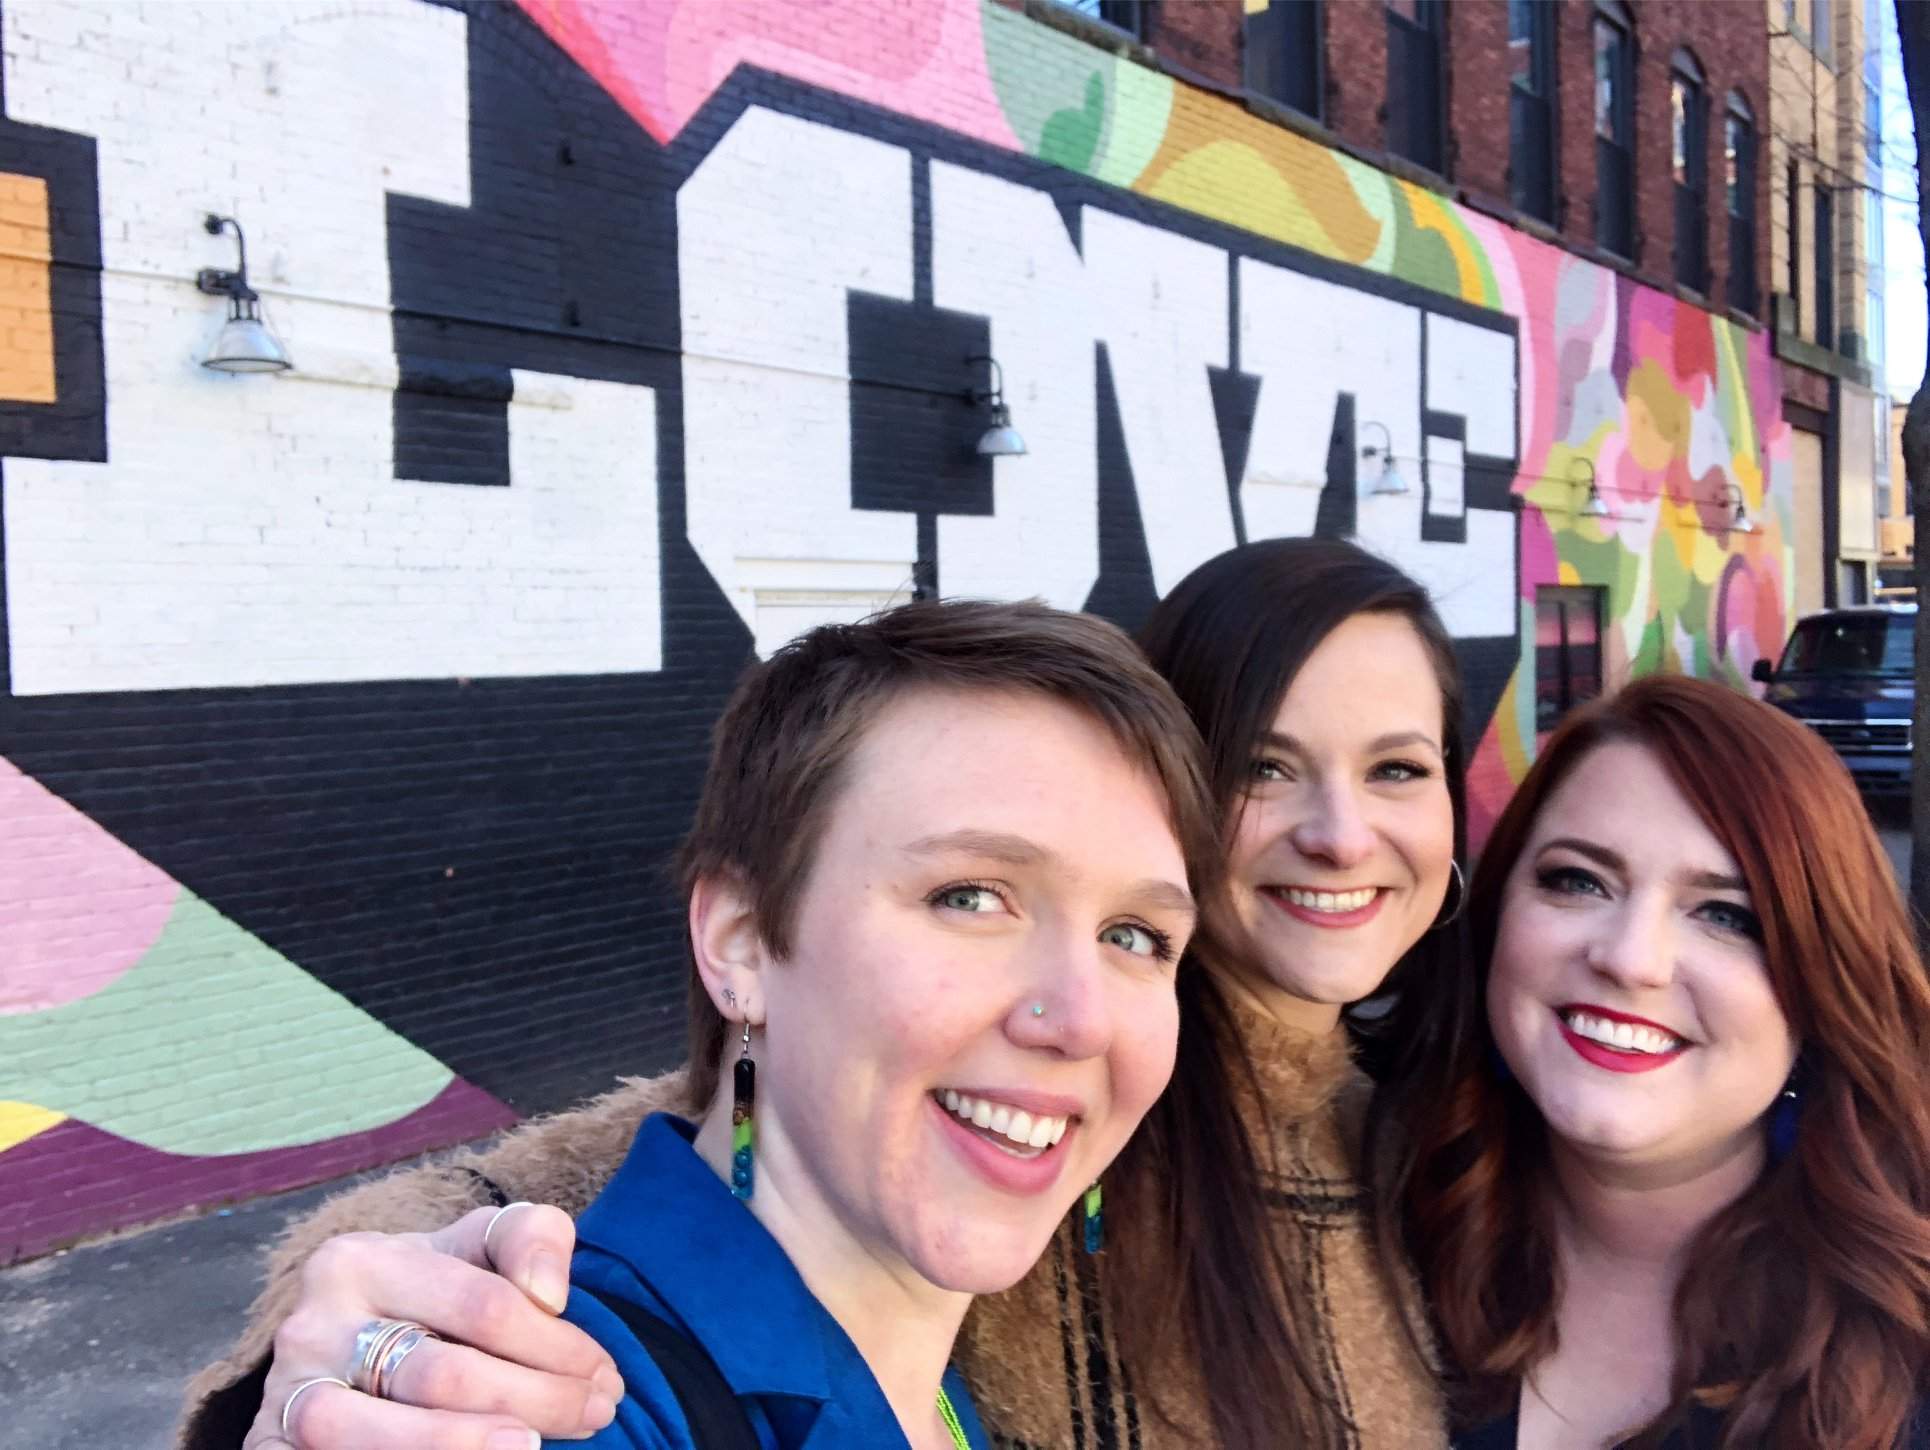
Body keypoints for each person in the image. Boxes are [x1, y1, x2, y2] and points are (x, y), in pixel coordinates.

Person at [186, 538, 1466, 1450]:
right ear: (741, 937)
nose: (1342, 834)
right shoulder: (577, 1389)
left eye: (1137, 933)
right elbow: (633, 1167)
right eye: (972, 894)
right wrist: (351, 1330)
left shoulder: (1435, 1129)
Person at [1389, 675, 1930, 1449]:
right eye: (1577, 880)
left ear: (1822, 988)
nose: (1631, 959)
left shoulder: (1906, 1347)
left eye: (1725, 914)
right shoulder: (1368, 1237)